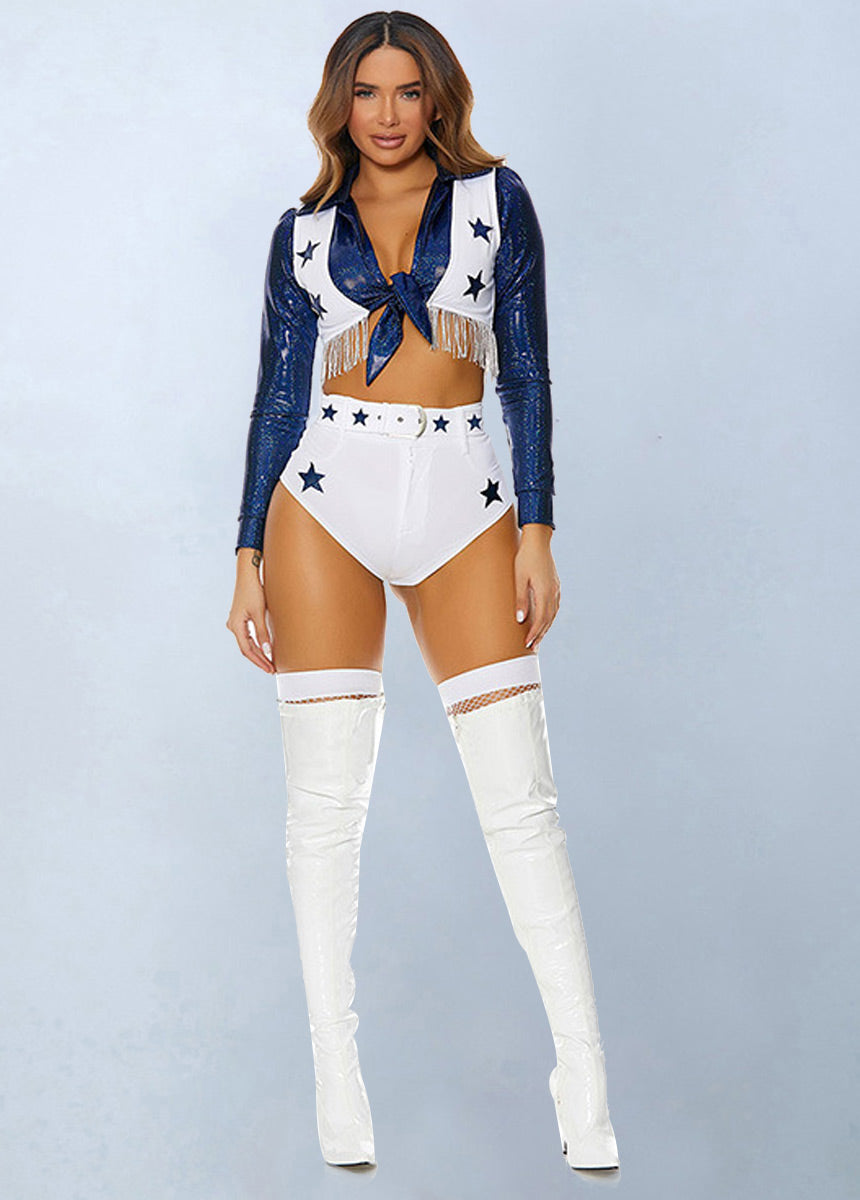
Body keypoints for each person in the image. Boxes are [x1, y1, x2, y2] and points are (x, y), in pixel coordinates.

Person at [225, 11, 620, 1174]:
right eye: (366, 92)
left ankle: (584, 1080)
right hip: (323, 501)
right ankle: (337, 1082)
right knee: (323, 811)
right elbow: (276, 396)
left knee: (523, 806)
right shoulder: (302, 234)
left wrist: (538, 529)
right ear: (339, 104)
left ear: (438, 98)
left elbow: (529, 368)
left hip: (467, 499)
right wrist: (244, 552)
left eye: (407, 91)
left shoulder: (498, 203)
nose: (387, 114)